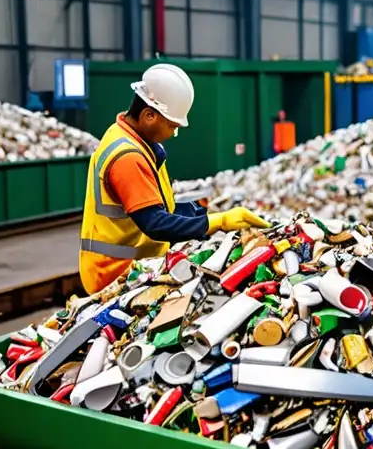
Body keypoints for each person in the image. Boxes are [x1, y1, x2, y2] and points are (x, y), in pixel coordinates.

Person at [80, 62, 269, 295]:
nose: (173, 133)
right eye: (172, 126)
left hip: (129, 266)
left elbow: (159, 207)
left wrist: (202, 214)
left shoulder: (130, 139)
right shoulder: (127, 157)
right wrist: (216, 222)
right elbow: (156, 224)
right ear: (149, 115)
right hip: (115, 274)